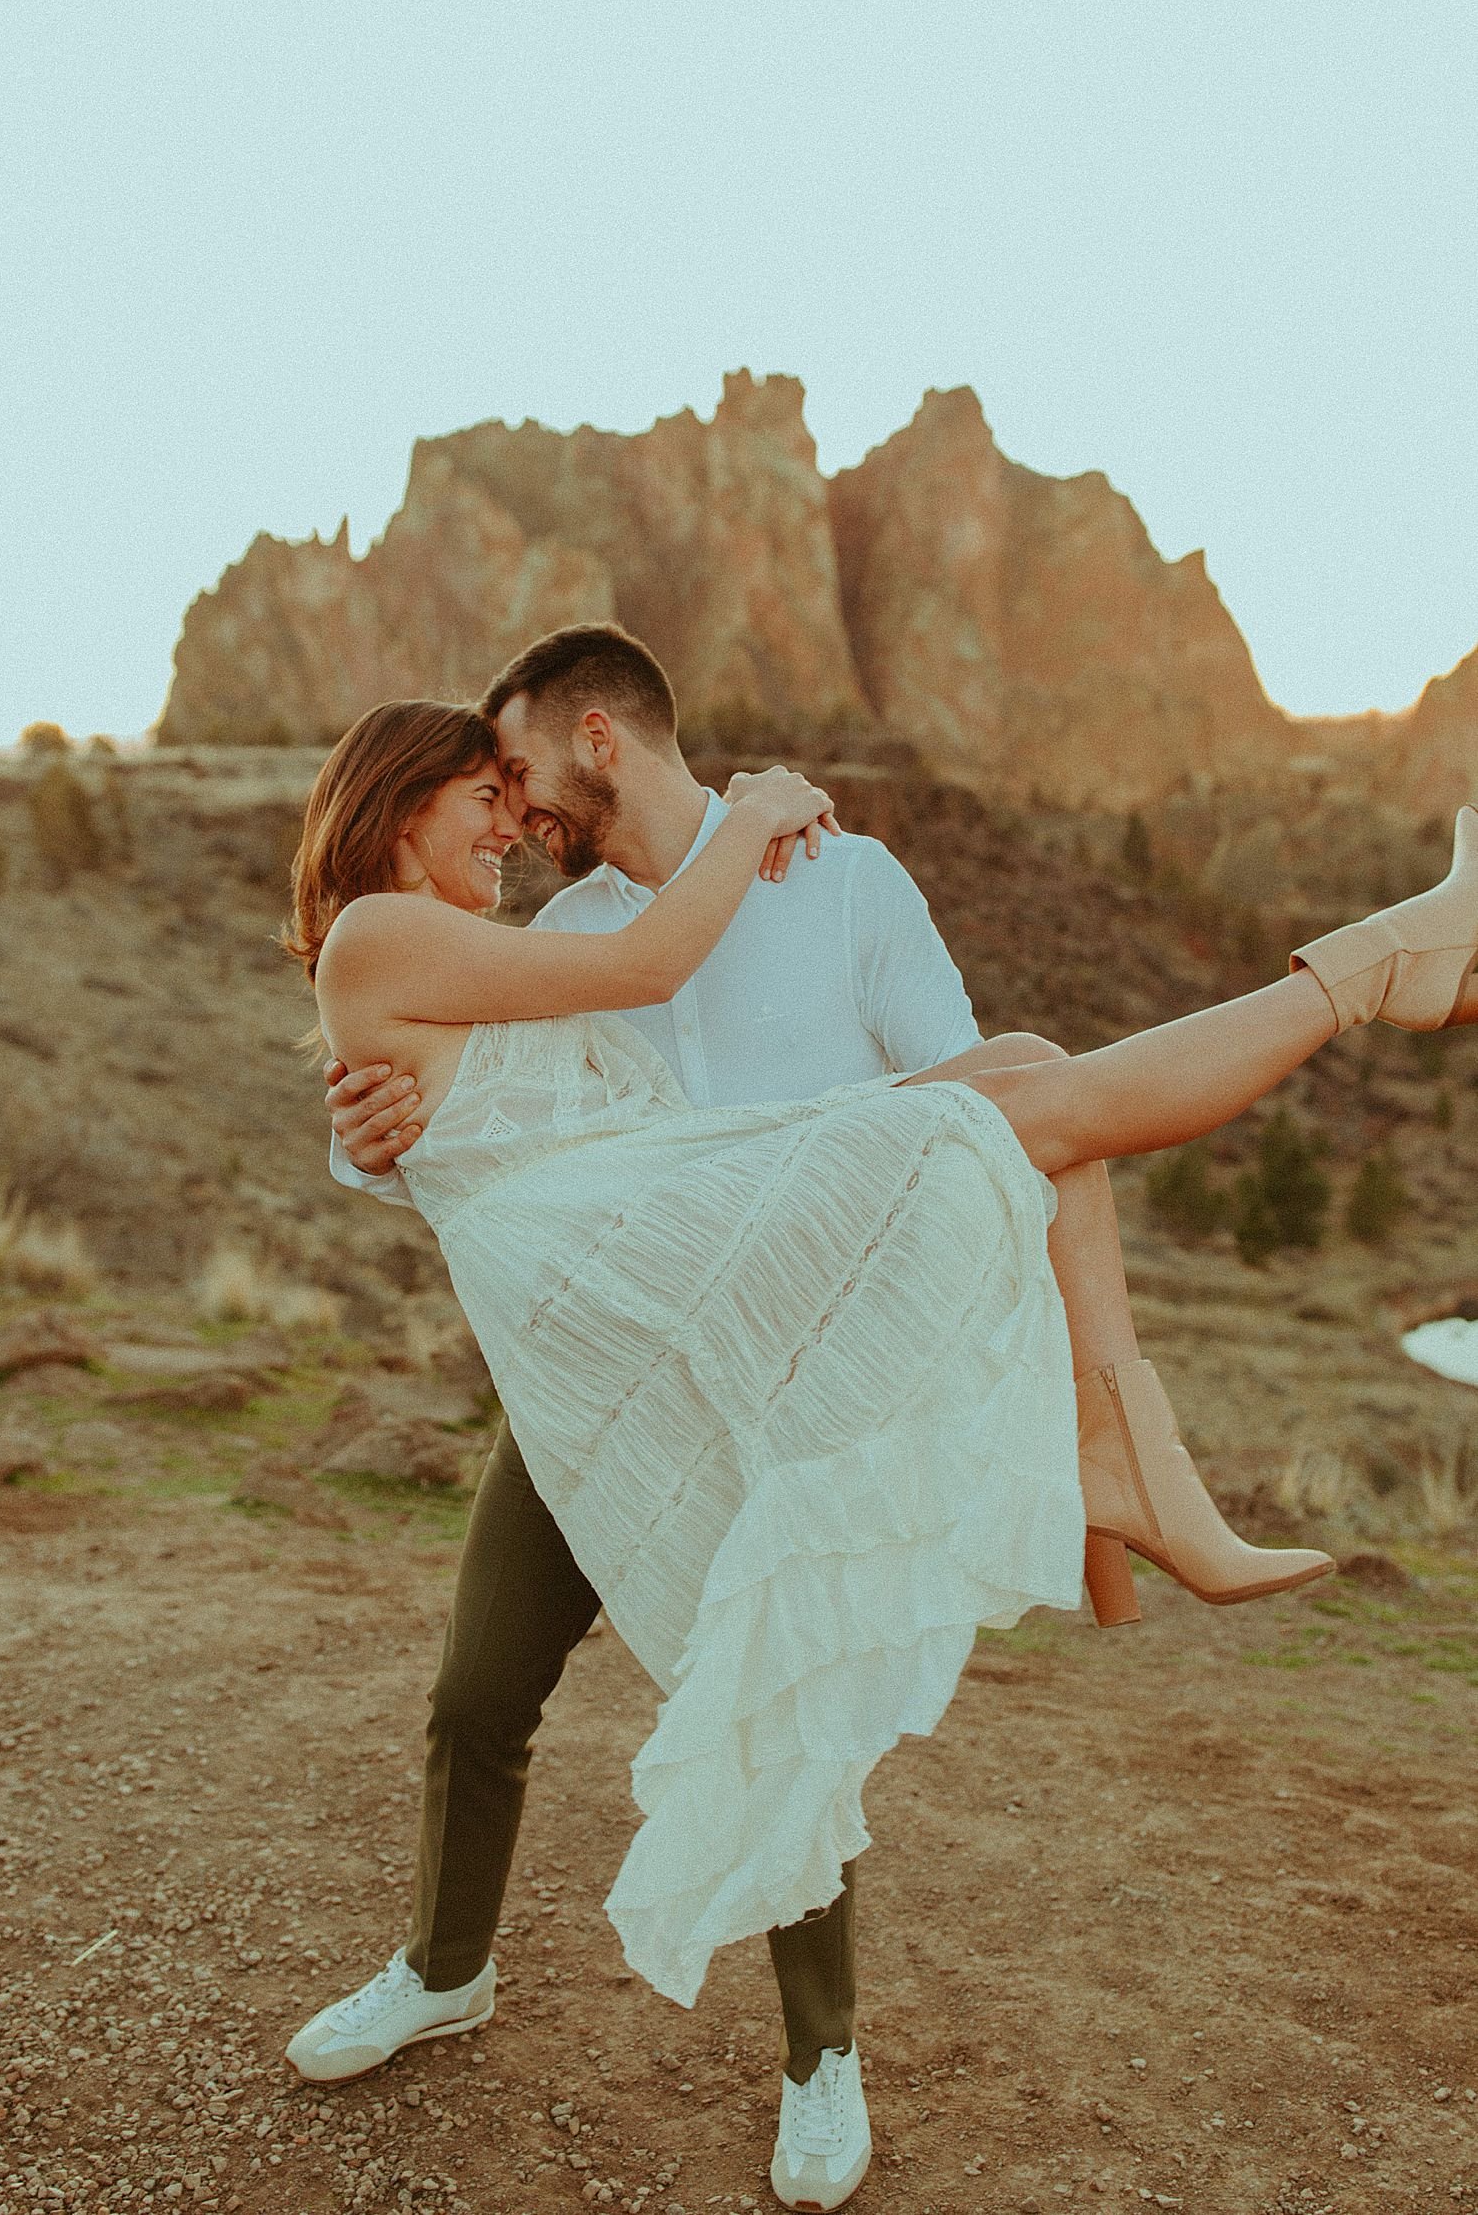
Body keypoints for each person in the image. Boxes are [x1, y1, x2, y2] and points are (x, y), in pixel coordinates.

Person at [278, 626, 1358, 2214]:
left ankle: (820, 2055)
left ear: (597, 738)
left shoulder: (834, 885)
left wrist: (769, 840)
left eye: (513, 789)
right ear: (400, 800)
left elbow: (912, 1108)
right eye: (479, 799)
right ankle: (444, 1965)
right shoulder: (516, 925)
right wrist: (358, 1134)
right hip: (602, 1382)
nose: (510, 822)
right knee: (475, 1690)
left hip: (777, 1346)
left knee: (786, 1678)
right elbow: (482, 1095)